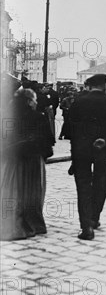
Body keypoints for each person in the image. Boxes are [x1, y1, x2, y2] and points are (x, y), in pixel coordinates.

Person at [69, 74, 106, 240]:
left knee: (83, 187)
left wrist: (76, 151)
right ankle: (94, 217)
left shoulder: (78, 103)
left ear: (89, 86)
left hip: (81, 152)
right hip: (102, 151)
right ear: (104, 86)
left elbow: (69, 131)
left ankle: (86, 226)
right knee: (101, 185)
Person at [1, 88, 54, 240]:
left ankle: (13, 221)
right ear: (30, 102)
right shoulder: (38, 117)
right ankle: (33, 223)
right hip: (32, 160)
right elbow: (47, 140)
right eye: (35, 100)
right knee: (32, 192)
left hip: (12, 160)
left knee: (13, 190)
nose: (36, 103)